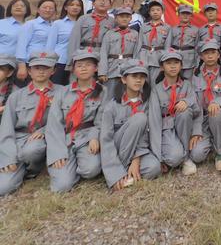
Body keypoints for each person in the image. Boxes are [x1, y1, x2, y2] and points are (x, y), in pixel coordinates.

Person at [0, 51, 60, 196]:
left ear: (54, 70)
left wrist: (45, 130)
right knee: (3, 188)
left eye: (45, 67)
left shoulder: (62, 92)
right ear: (29, 71)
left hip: (41, 139)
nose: (41, 71)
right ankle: (21, 169)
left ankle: (35, 169)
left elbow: (67, 120)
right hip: (19, 139)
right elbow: (7, 128)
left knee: (32, 150)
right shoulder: (16, 96)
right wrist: (8, 157)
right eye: (36, 67)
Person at [45, 49, 104, 192]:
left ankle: (76, 165)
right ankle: (67, 170)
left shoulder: (103, 92)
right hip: (65, 139)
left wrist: (94, 137)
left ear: (95, 68)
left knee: (91, 170)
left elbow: (102, 120)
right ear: (73, 69)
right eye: (79, 65)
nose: (83, 68)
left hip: (86, 138)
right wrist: (56, 153)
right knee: (62, 187)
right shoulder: (62, 92)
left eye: (88, 64)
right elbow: (54, 125)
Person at [101, 59, 161, 191]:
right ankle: (118, 172)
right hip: (118, 150)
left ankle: (128, 171)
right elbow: (106, 140)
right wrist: (114, 173)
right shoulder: (111, 106)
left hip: (140, 148)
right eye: (134, 76)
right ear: (123, 79)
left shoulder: (148, 102)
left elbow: (148, 133)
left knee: (154, 167)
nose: (138, 80)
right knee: (139, 118)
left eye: (142, 77)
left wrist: (136, 158)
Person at [148, 48, 202, 176]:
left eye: (176, 63)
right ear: (162, 67)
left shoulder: (187, 85)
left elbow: (197, 111)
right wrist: (158, 157)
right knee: (174, 158)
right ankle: (179, 156)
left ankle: (187, 158)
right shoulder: (156, 90)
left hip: (185, 127)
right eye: (168, 63)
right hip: (167, 129)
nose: (173, 66)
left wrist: (187, 102)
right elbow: (154, 122)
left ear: (181, 66)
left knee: (184, 112)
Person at [190, 40, 221, 171]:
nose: (210, 56)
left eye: (213, 52)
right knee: (196, 155)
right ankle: (211, 140)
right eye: (206, 53)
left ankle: (220, 153)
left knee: (215, 112)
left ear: (218, 55)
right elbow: (193, 104)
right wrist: (196, 130)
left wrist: (218, 101)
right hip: (202, 120)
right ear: (201, 56)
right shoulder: (195, 76)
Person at [99, 7, 139, 99]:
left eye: (127, 16)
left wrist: (135, 70)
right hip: (111, 68)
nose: (124, 19)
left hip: (128, 68)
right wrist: (102, 72)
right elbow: (104, 53)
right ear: (116, 18)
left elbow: (137, 53)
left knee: (126, 96)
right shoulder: (109, 34)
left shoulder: (135, 34)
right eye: (121, 16)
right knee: (109, 96)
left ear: (130, 19)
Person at [67, 0, 115, 67]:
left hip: (102, 55)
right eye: (99, 0)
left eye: (106, 0)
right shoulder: (83, 19)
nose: (103, 2)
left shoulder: (113, 22)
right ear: (93, 3)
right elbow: (74, 40)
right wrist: (71, 61)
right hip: (83, 53)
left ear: (110, 5)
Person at [16, 0, 57, 84]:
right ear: (38, 10)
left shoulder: (55, 25)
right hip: (30, 63)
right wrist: (22, 66)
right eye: (45, 7)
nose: (48, 10)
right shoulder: (31, 24)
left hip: (47, 63)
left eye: (51, 8)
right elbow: (21, 45)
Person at [46, 0, 84, 86]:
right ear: (66, 7)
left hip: (77, 62)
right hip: (60, 62)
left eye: (78, 5)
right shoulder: (58, 23)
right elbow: (50, 45)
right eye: (72, 5)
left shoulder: (83, 24)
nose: (75, 7)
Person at [135, 0, 170, 85]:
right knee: (142, 84)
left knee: (156, 84)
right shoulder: (144, 26)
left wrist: (164, 62)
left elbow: (167, 46)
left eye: (158, 10)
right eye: (153, 10)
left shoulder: (167, 27)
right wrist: (136, 59)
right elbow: (139, 44)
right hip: (144, 57)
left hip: (158, 59)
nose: (155, 12)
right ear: (149, 12)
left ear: (162, 12)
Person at [165, 4, 199, 80]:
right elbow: (168, 45)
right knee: (174, 80)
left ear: (191, 15)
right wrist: (167, 60)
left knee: (188, 82)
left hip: (189, 61)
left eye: (188, 14)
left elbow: (197, 48)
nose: (185, 16)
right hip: (174, 59)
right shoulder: (173, 29)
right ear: (179, 15)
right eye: (183, 13)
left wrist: (197, 64)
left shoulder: (196, 30)